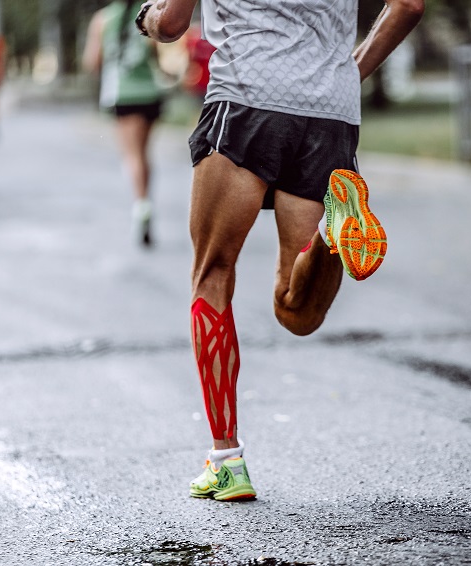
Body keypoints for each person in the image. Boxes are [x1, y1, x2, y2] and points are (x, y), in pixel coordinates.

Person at [136, 0, 424, 501]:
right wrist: (348, 72)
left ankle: (226, 461)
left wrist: (146, 16)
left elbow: (172, 23)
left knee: (213, 272)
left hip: (248, 96)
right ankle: (331, 236)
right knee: (296, 310)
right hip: (330, 112)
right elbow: (409, 5)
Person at [84, 0, 166, 247]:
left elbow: (92, 62)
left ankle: (141, 205)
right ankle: (145, 201)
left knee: (132, 156)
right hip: (150, 92)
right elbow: (155, 54)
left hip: (122, 94)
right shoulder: (149, 11)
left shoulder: (102, 19)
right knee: (144, 154)